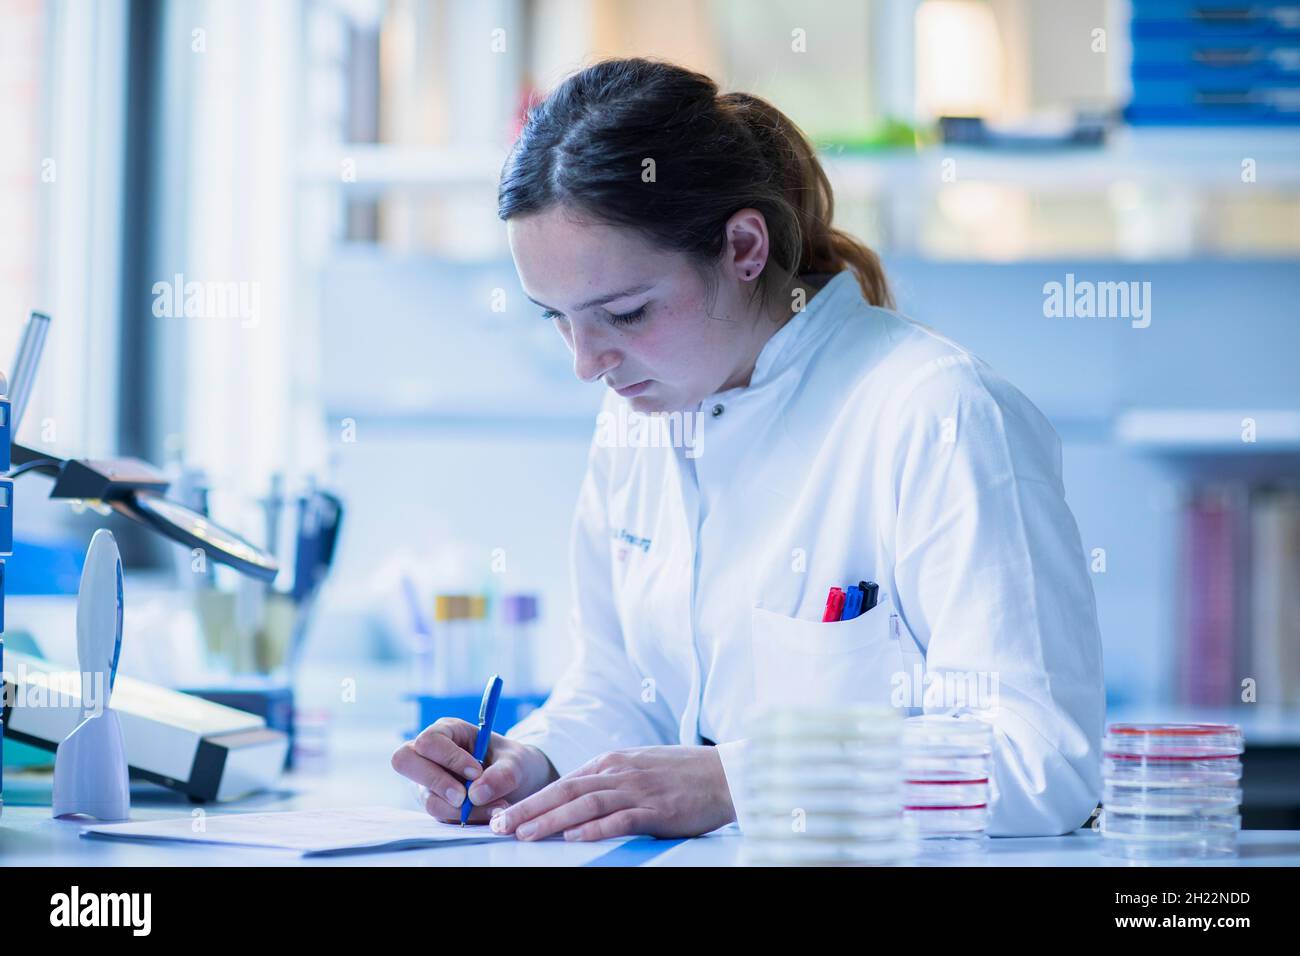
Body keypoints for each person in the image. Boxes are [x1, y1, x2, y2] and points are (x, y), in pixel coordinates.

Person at [391, 57, 1104, 842]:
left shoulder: (938, 413)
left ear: (743, 247)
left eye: (624, 313)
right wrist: (535, 761)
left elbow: (1040, 761)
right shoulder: (638, 412)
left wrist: (748, 779)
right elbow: (627, 687)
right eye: (554, 317)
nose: (585, 362)